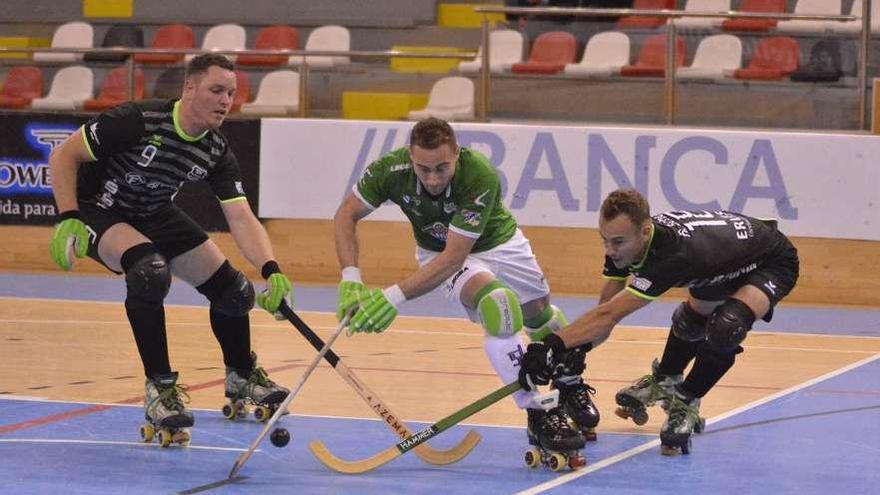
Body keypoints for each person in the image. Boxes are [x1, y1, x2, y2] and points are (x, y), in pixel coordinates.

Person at [47, 54, 292, 444]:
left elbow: (242, 217)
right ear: (189, 88)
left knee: (235, 292)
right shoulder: (137, 120)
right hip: (98, 208)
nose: (225, 100)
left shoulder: (215, 150)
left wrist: (271, 269)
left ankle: (242, 375)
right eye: (216, 90)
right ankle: (160, 391)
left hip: (153, 211)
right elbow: (64, 155)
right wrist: (68, 215)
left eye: (231, 93)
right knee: (149, 272)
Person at [333, 117, 598, 462]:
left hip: (499, 244)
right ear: (410, 158)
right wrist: (350, 278)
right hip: (439, 252)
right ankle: (537, 409)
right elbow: (345, 215)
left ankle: (569, 383)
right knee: (499, 307)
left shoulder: (479, 174)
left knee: (541, 317)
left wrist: (391, 296)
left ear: (456, 154)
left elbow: (455, 256)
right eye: (423, 169)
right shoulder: (390, 170)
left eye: (441, 168)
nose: (432, 179)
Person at [518, 188, 799, 454]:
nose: (610, 249)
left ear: (645, 231)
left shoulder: (670, 256)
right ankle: (664, 379)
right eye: (604, 239)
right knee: (691, 323)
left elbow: (610, 315)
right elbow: (604, 311)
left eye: (617, 242)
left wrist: (551, 345)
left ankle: (687, 400)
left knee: (726, 328)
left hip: (770, 261)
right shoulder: (626, 242)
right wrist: (578, 346)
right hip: (720, 261)